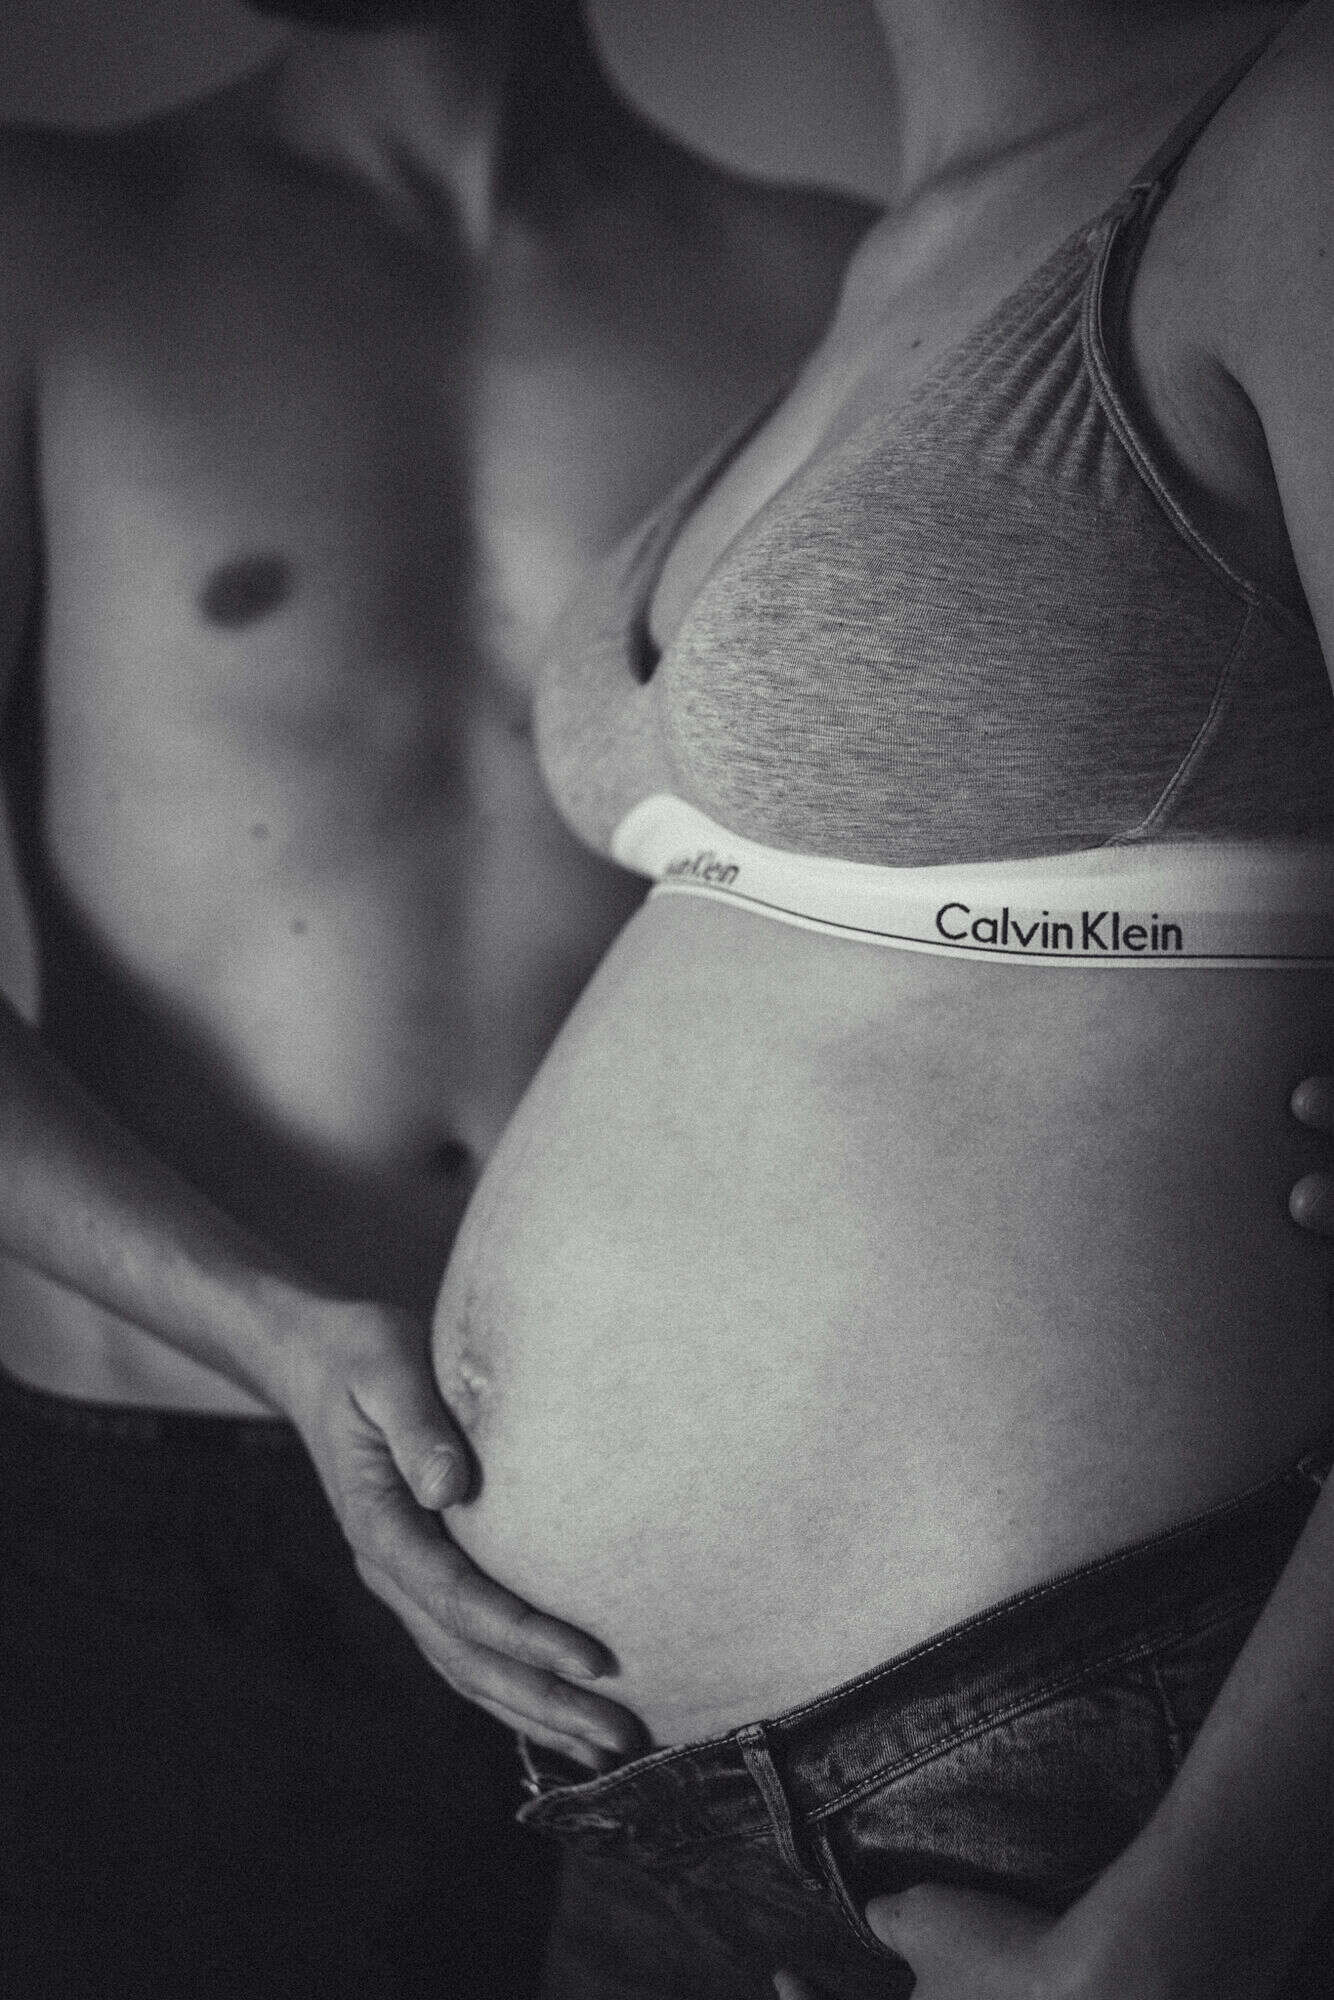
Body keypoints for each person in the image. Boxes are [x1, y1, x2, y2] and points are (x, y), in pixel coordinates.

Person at [425, 0, 1334, 1993]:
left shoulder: (1295, 144)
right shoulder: (887, 248)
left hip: (1103, 1816)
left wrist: (1186, 1925)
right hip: (622, 1802)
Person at [0, 3, 874, 1992]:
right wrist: (275, 1332)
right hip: (180, 1489)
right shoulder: (50, 243)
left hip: (689, 1499)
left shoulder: (838, 290)